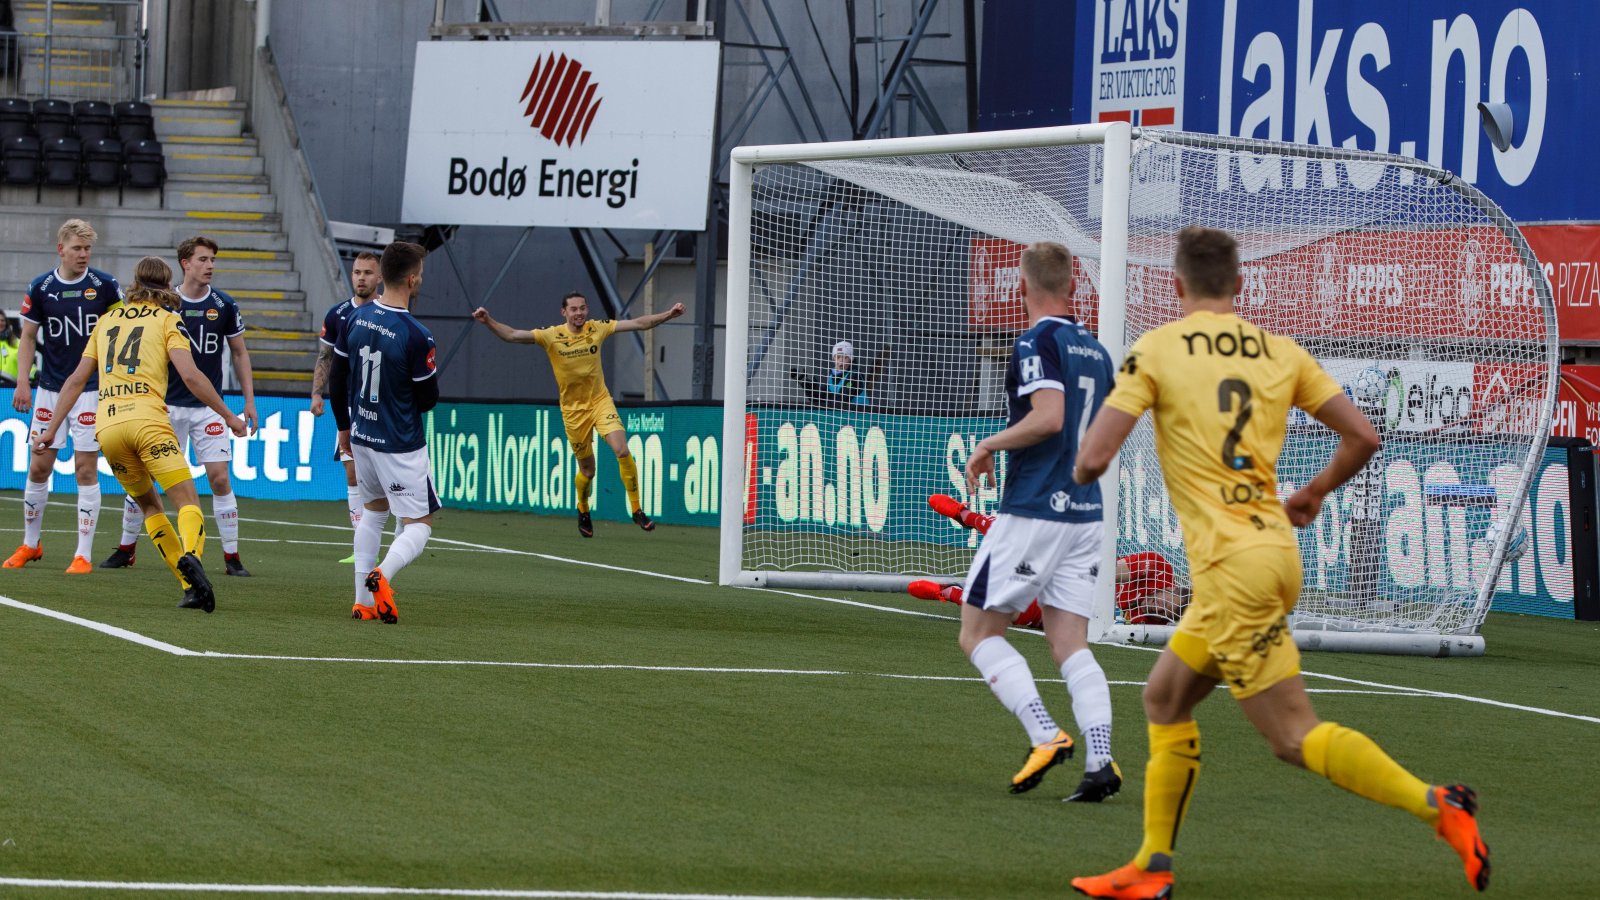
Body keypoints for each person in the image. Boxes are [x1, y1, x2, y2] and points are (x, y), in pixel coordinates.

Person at [1068, 227, 1488, 898]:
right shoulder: (1280, 352)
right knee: (1165, 696)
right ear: (1239, 286)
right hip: (1271, 550)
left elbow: (1092, 461)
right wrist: (1313, 491)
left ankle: (1440, 805)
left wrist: (1088, 454)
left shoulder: (1157, 349)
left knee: (1293, 736)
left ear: (1176, 286)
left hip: (1233, 569)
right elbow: (1364, 436)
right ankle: (1151, 867)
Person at [953, 241, 1121, 803]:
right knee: (1071, 643)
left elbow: (1050, 418)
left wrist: (988, 445)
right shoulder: (1097, 351)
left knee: (977, 632)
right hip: (1085, 511)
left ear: (1021, 288)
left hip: (1035, 511)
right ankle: (1101, 761)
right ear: (1074, 287)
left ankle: (1045, 734)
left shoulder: (1035, 341)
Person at [33, 257, 247, 612]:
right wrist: (228, 416)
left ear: (134, 283)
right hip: (148, 422)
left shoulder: (105, 321)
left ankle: (191, 588)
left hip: (109, 427)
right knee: (187, 501)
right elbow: (192, 377)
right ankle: (191, 556)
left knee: (149, 504)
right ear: (167, 287)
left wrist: (50, 430)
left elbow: (75, 380)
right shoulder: (167, 320)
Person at [101, 237, 258, 575]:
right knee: (146, 481)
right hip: (165, 406)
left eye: (213, 259)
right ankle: (126, 547)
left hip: (206, 407)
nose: (210, 265)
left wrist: (248, 401)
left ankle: (232, 557)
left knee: (219, 479)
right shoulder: (165, 305)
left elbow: (240, 353)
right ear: (185, 263)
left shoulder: (225, 305)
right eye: (203, 259)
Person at [472, 292, 684, 538]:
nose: (579, 313)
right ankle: (583, 510)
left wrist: (669, 314)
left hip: (600, 402)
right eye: (573, 309)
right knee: (588, 471)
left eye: (582, 308)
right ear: (564, 312)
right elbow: (512, 335)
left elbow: (638, 323)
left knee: (622, 450)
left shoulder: (598, 328)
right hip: (573, 412)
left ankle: (637, 510)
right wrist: (489, 321)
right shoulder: (551, 336)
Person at [6, 219, 123, 574]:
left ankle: (82, 553)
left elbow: (120, 333)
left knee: (85, 468)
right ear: (61, 249)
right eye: (77, 248)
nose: (83, 255)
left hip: (91, 391)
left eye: (87, 248)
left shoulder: (104, 286)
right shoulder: (41, 287)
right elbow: (27, 337)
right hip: (50, 389)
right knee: (38, 466)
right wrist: (23, 382)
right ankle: (31, 544)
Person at [332, 241, 439, 623]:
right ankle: (383, 575)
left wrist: (343, 428)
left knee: (373, 513)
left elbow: (336, 378)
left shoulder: (354, 319)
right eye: (420, 273)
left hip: (362, 435)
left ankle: (362, 602)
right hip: (400, 444)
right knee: (419, 525)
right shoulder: (416, 334)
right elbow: (427, 399)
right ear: (411, 279)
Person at [910, 494, 1187, 628]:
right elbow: (1105, 571)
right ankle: (966, 516)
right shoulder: (1159, 567)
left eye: (1167, 612)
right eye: (1164, 600)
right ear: (1174, 588)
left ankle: (949, 592)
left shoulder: (1152, 620)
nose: (1158, 607)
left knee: (1011, 614)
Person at [310, 251, 400, 565]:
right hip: (350, 406)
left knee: (386, 479)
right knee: (352, 473)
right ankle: (361, 545)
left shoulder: (389, 314)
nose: (361, 278)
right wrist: (316, 394)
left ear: (380, 278)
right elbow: (325, 358)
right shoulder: (338, 315)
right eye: (357, 272)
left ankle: (398, 537)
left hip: (382, 407)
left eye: (367, 273)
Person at [789, 339, 888, 409]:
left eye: (845, 358)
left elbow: (841, 400)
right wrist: (807, 385)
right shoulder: (832, 376)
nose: (841, 362)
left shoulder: (855, 377)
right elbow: (818, 400)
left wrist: (819, 392)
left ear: (851, 359)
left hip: (860, 421)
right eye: (838, 357)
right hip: (840, 421)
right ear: (833, 358)